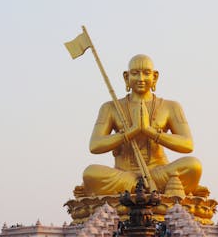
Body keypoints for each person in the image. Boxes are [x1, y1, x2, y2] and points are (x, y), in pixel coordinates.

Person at [82, 54, 203, 196]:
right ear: (126, 77)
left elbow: (188, 145)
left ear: (155, 77)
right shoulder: (110, 107)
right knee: (90, 173)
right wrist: (130, 132)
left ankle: (136, 189)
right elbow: (95, 145)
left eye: (146, 73)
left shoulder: (171, 106)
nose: (141, 79)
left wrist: (149, 130)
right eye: (135, 73)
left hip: (159, 172)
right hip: (124, 174)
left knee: (194, 165)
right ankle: (144, 187)